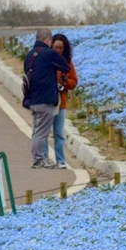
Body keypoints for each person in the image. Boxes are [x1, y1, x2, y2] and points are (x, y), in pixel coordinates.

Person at [23, 28, 70, 168]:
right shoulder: (49, 53)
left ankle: (38, 158)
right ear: (48, 40)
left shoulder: (30, 55)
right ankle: (38, 160)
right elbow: (65, 66)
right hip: (46, 99)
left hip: (33, 99)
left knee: (37, 130)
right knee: (41, 133)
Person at [44, 33, 78, 169]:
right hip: (46, 101)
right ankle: (44, 159)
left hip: (61, 102)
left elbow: (74, 81)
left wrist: (64, 83)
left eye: (60, 48)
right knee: (44, 132)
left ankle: (61, 160)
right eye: (55, 47)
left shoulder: (67, 62)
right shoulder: (45, 60)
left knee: (58, 133)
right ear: (51, 46)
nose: (58, 50)